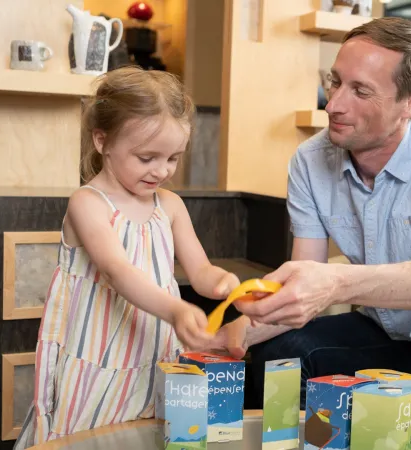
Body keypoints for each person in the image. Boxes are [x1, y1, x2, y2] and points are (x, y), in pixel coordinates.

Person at [231, 17, 411, 450]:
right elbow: (304, 288)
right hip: (382, 326)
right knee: (280, 353)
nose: (333, 104)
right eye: (335, 83)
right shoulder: (310, 161)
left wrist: (336, 282)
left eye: (360, 90)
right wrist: (236, 331)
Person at [13, 67, 248, 449]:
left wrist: (225, 284)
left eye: (173, 158)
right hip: (97, 354)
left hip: (152, 351)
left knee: (147, 436)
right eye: (146, 158)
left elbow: (201, 270)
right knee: (88, 439)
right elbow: (117, 271)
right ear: (102, 140)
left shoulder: (169, 205)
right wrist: (175, 310)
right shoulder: (87, 204)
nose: (162, 170)